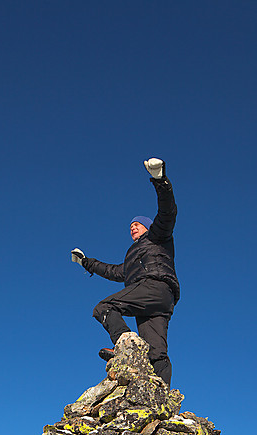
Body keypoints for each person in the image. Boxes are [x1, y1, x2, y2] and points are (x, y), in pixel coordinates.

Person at [71, 158, 180, 386]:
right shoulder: (131, 259)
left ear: (148, 226)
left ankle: (125, 346)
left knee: (105, 307)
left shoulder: (158, 237)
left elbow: (167, 213)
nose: (133, 226)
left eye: (137, 224)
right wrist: (86, 263)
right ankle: (162, 398)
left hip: (154, 285)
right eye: (130, 225)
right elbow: (113, 271)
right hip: (160, 301)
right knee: (156, 352)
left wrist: (160, 180)